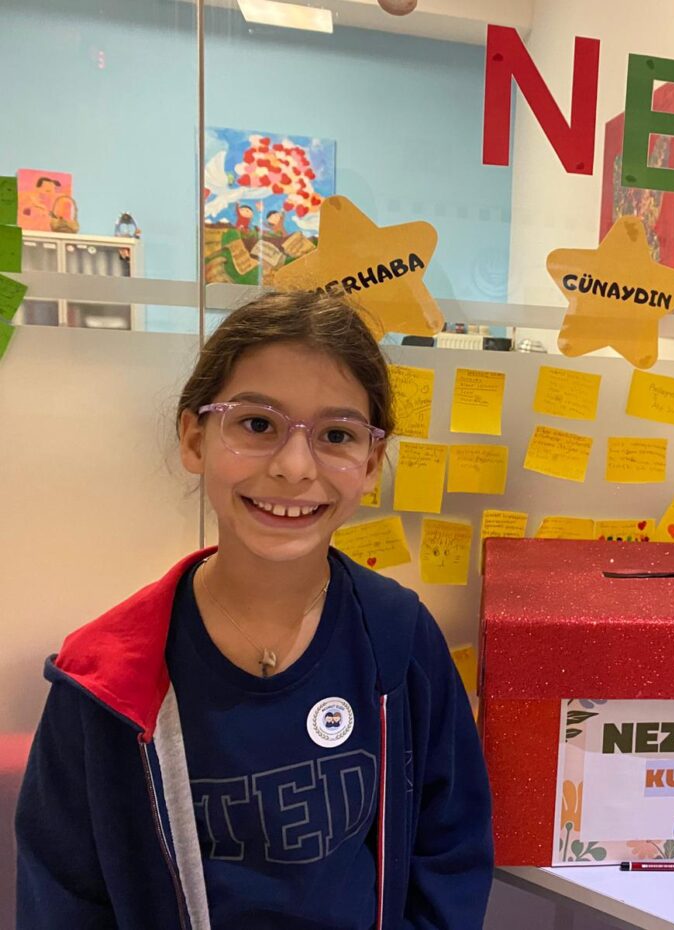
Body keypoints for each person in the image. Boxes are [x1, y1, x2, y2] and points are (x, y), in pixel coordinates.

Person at [15, 292, 493, 929]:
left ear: (371, 464)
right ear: (195, 439)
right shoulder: (104, 679)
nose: (295, 468)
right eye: (258, 425)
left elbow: (451, 853)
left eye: (337, 435)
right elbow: (63, 896)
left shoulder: (399, 640)